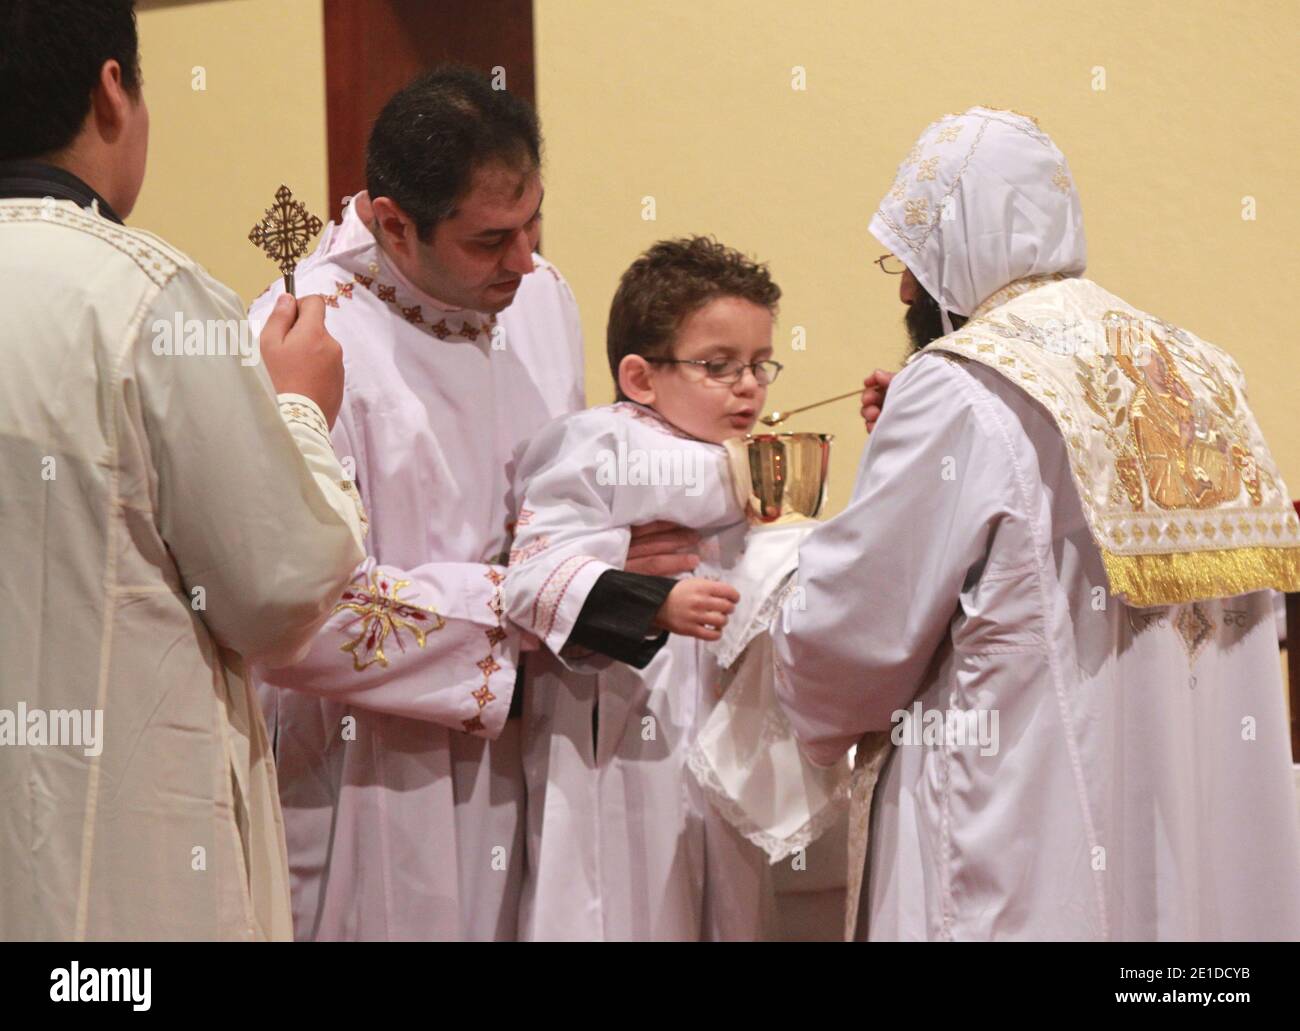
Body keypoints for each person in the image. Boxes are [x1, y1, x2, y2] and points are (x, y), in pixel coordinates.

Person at [771, 106, 1300, 940]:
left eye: (909, 259)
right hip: (1187, 851)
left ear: (959, 243)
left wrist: (779, 586)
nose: (907, 288)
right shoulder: (1199, 369)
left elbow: (852, 636)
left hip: (1023, 845)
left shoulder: (959, 384)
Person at [251, 67, 700, 941]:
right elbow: (296, 606)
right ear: (393, 223)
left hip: (538, 746)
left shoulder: (544, 299)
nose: (525, 259)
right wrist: (536, 602)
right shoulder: (300, 338)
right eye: (491, 239)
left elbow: (566, 496)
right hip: (378, 770)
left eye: (533, 221)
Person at [0, 0, 366, 939]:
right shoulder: (139, 293)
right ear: (113, 91)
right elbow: (278, 585)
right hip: (109, 883)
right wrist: (298, 410)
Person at [505, 236, 786, 940]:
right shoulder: (601, 446)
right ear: (640, 376)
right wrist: (652, 602)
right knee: (631, 904)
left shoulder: (751, 459)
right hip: (622, 737)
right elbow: (534, 575)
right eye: (718, 366)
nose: (747, 385)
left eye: (759, 364)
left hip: (718, 736)